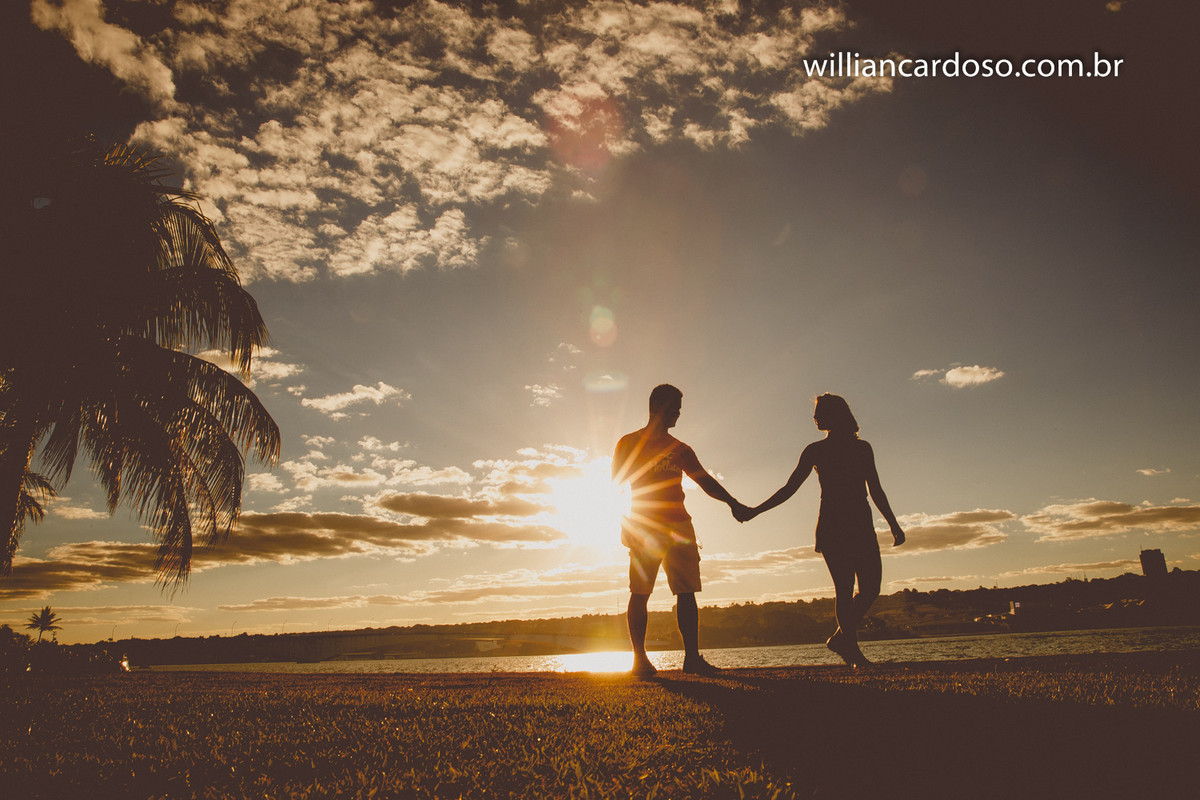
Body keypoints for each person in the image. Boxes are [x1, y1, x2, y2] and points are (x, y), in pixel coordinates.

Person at [738, 393, 905, 667]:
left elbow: (875, 488)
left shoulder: (863, 449)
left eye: (820, 412)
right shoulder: (815, 450)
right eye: (815, 413)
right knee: (844, 589)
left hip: (861, 524)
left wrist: (893, 523)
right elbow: (789, 488)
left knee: (871, 588)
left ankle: (840, 638)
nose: (815, 417)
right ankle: (852, 651)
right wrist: (756, 510)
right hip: (832, 527)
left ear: (836, 415)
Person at [613, 384, 748, 677]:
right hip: (644, 526)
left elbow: (704, 481)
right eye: (674, 408)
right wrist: (625, 525)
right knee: (640, 591)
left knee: (686, 592)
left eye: (679, 409)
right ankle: (640, 660)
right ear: (658, 407)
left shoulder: (681, 449)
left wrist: (733, 503)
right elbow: (615, 486)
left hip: (679, 526)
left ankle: (692, 659)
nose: (678, 414)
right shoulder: (628, 443)